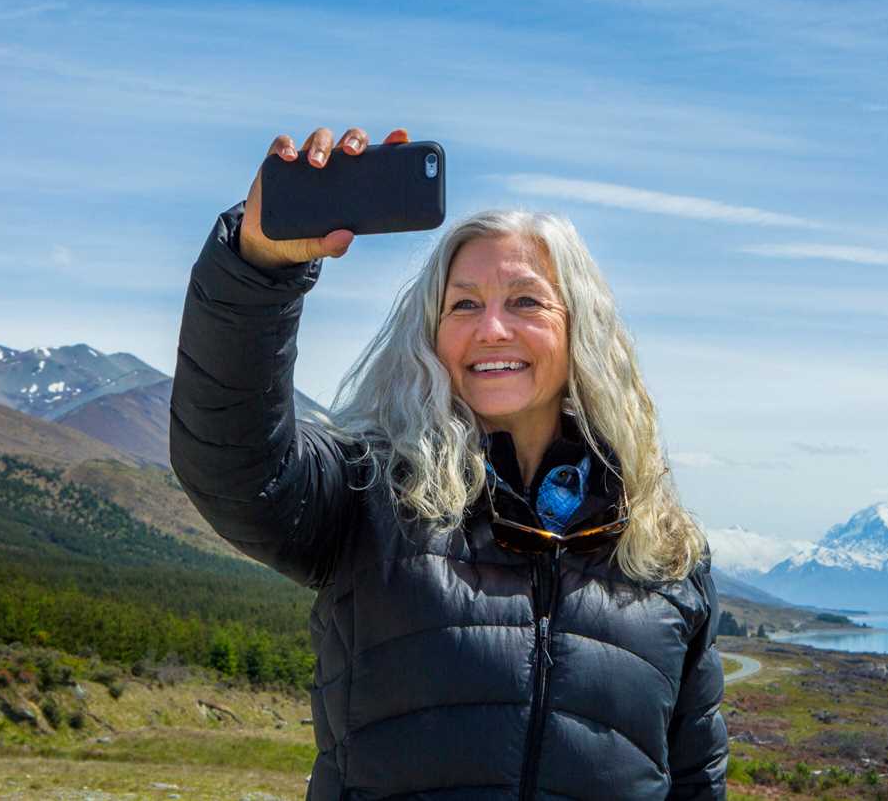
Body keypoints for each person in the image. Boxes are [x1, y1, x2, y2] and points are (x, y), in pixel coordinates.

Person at [169, 124, 729, 800]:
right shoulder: (369, 492)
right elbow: (233, 466)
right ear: (432, 333)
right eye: (464, 304)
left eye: (524, 301)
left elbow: (695, 781)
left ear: (580, 329)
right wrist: (257, 267)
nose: (492, 329)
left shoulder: (663, 550)